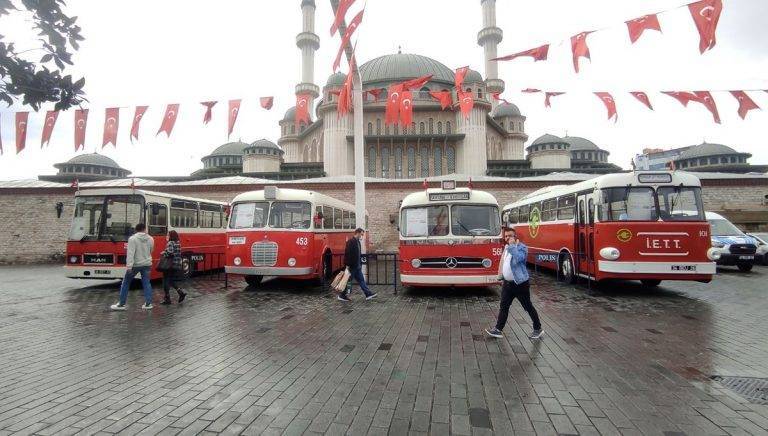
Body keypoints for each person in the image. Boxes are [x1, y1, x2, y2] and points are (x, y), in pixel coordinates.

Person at [485, 226, 543, 339]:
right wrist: (501, 276)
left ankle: (538, 328)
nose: (507, 238)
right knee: (504, 306)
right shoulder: (507, 247)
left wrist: (512, 246)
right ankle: (498, 329)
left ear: (515, 236)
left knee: (527, 306)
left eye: (510, 236)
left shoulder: (522, 247)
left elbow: (519, 259)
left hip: (520, 284)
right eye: (506, 236)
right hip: (507, 284)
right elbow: (504, 263)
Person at [111, 223, 155, 310]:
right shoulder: (151, 238)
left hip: (135, 265)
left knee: (126, 283)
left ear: (136, 229)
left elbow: (130, 253)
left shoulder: (132, 239)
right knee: (146, 283)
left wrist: (129, 267)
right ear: (144, 229)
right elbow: (151, 250)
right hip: (147, 264)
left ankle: (121, 304)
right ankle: (148, 304)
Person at [338, 228, 377, 302]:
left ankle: (368, 294)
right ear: (357, 233)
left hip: (357, 266)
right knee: (348, 281)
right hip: (352, 266)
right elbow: (348, 254)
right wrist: (347, 265)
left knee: (361, 280)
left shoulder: (358, 242)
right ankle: (342, 295)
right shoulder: (350, 242)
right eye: (361, 234)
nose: (361, 236)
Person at [160, 230, 187, 305]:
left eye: (168, 235)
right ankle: (181, 292)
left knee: (165, 280)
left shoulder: (170, 243)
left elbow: (170, 253)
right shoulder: (178, 243)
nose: (167, 236)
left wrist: (163, 253)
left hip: (169, 265)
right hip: (176, 264)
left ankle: (167, 298)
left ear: (171, 236)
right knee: (170, 280)